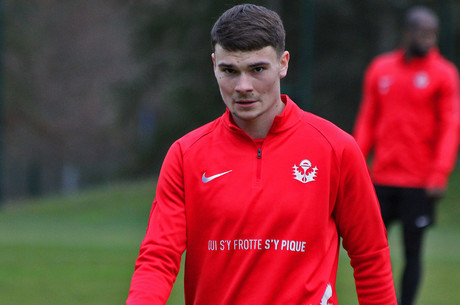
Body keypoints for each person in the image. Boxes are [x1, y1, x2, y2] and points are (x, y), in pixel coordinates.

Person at [127, 4, 397, 305]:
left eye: (257, 69)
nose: (243, 86)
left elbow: (370, 255)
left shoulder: (337, 148)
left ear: (283, 63)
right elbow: (158, 257)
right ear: (214, 65)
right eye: (229, 70)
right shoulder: (186, 154)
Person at [353, 6, 460, 305]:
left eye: (433, 35)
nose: (429, 40)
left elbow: (450, 127)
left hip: (419, 182)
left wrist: (439, 174)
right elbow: (367, 120)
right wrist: (357, 163)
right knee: (372, 250)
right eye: (423, 34)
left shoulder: (445, 74)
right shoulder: (380, 68)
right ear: (408, 32)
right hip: (381, 179)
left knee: (413, 252)